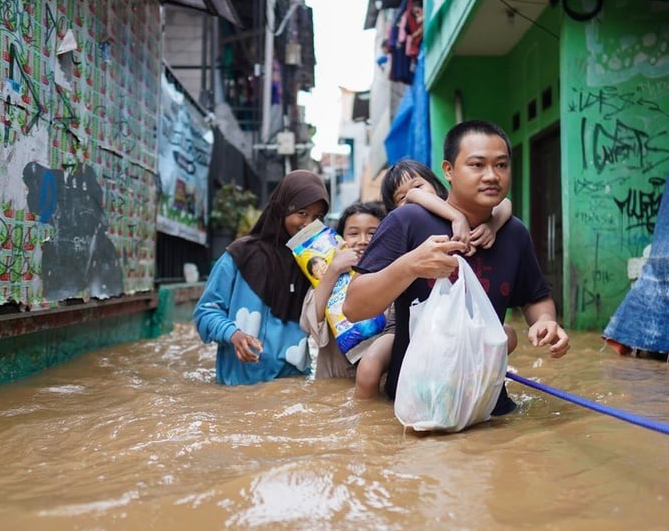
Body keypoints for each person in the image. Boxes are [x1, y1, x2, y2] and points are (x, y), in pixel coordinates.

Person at [344, 119, 571, 416]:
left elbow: (535, 297)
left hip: (489, 407)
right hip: (414, 411)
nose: (492, 176)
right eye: (477, 165)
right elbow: (354, 307)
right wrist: (410, 265)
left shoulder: (513, 232)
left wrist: (545, 322)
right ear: (448, 170)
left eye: (501, 165)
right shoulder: (407, 221)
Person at [193, 170, 328, 385]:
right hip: (237, 390)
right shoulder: (239, 255)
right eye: (302, 213)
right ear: (282, 209)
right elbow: (205, 312)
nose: (309, 224)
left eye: (317, 217)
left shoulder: (316, 265)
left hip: (292, 389)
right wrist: (234, 335)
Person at [380, 158, 519, 353]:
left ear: (437, 186)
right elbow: (414, 194)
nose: (411, 197)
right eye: (400, 198)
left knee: (508, 335)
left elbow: (504, 203)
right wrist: (457, 217)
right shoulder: (405, 226)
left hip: (460, 315)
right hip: (407, 319)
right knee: (371, 365)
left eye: (419, 185)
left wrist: (492, 226)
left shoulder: (463, 215)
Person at [301, 201, 395, 396]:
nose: (363, 240)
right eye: (353, 233)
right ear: (340, 239)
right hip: (330, 391)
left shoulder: (394, 276)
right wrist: (334, 269)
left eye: (372, 233)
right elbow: (308, 326)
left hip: (377, 389)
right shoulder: (326, 280)